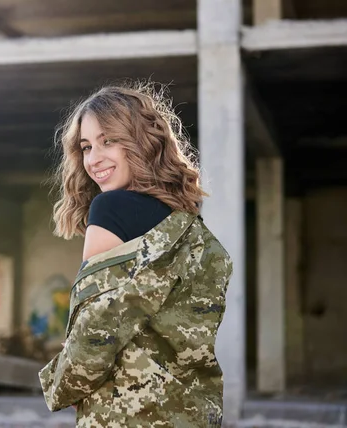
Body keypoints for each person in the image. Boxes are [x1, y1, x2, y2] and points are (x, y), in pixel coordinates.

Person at [38, 83, 233, 427]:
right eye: (86, 146)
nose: (94, 158)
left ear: (139, 141)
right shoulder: (191, 228)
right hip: (192, 414)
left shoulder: (111, 210)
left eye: (108, 140)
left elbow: (94, 330)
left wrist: (61, 388)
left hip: (125, 415)